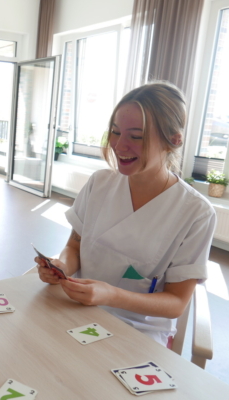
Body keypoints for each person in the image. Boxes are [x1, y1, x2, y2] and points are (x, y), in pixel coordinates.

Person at [35, 82, 216, 347]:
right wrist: (62, 267)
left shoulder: (196, 213)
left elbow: (176, 303)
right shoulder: (100, 183)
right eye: (115, 132)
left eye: (136, 136)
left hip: (138, 329)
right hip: (76, 308)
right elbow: (75, 245)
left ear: (173, 140)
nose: (119, 145)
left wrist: (110, 295)